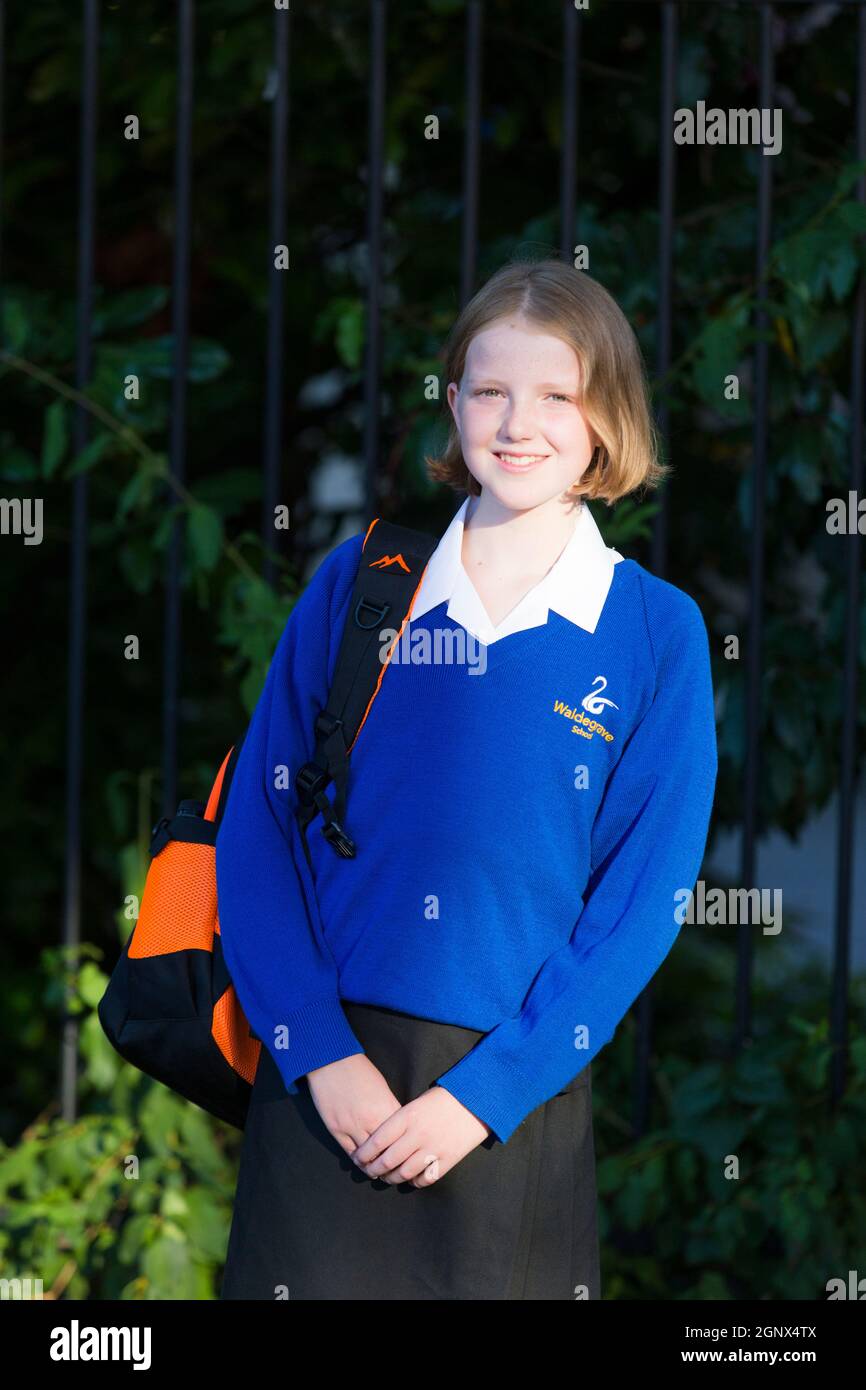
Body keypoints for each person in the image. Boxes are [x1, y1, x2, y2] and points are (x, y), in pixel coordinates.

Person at [216, 257, 718, 1301]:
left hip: (506, 1108)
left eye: (555, 394)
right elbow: (261, 827)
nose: (515, 422)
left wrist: (481, 1096)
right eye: (488, 390)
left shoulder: (651, 630)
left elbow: (638, 904)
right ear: (452, 406)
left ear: (604, 419)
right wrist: (315, 1049)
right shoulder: (366, 582)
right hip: (325, 1083)